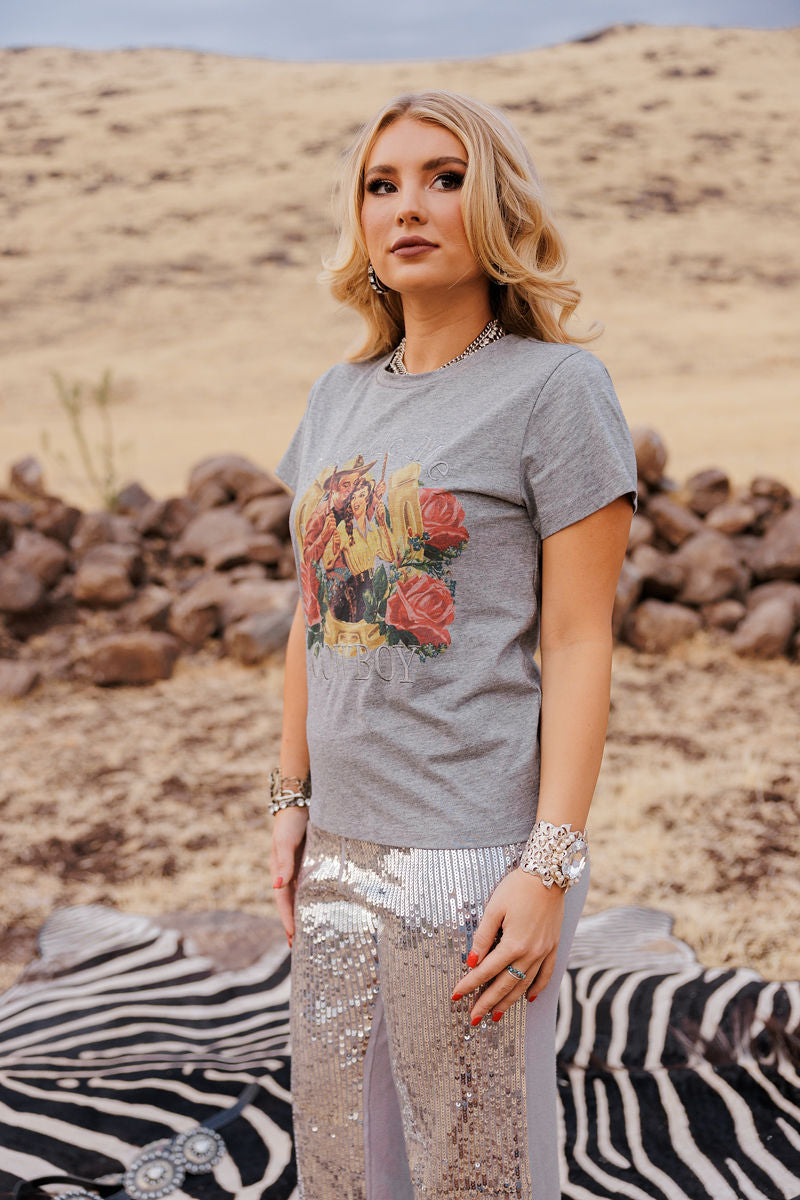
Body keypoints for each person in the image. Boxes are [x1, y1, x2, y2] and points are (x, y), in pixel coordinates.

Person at [270, 89, 637, 1200]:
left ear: (497, 204)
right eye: (381, 185)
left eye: (444, 178)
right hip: (339, 846)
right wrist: (289, 800)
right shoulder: (334, 397)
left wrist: (546, 863)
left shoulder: (555, 389)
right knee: (346, 1160)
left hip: (475, 852)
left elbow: (577, 640)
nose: (407, 206)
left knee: (481, 1168)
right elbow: (310, 611)